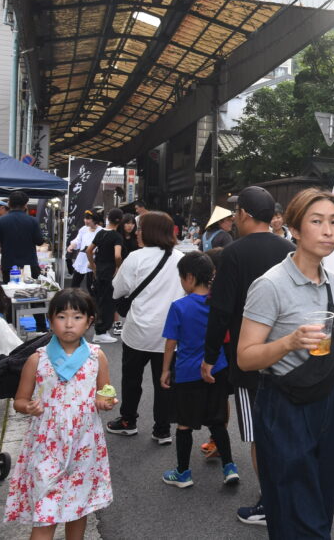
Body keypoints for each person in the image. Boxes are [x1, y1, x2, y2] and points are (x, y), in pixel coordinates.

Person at [237, 188, 334, 539]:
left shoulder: (333, 284)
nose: (328, 231)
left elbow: (333, 353)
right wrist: (289, 342)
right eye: (317, 221)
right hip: (284, 407)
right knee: (293, 509)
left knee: (321, 502)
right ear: (294, 229)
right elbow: (245, 358)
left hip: (323, 405)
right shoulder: (270, 284)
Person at [202, 185, 295, 526]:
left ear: (242, 214)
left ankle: (271, 502)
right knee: (284, 430)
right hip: (287, 356)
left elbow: (221, 310)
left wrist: (209, 356)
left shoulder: (234, 254)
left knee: (258, 434)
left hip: (248, 358)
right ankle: (287, 494)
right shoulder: (290, 249)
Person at [3, 288, 116, 539]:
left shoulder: (97, 357)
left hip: (85, 442)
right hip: (47, 443)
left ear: (89, 321)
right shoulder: (37, 359)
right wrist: (27, 406)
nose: (68, 324)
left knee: (78, 506)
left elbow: (104, 393)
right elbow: (19, 401)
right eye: (61, 316)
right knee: (45, 508)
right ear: (51, 320)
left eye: (77, 317)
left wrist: (106, 402)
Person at [159, 251, 239, 488]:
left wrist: (165, 370)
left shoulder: (179, 307)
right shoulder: (220, 303)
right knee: (216, 420)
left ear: (190, 278)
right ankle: (229, 466)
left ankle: (183, 473)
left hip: (187, 372)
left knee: (184, 423)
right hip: (218, 369)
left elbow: (171, 342)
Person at [106, 211, 184, 445]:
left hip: (138, 332)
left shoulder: (136, 258)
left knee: (132, 379)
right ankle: (162, 429)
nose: (137, 232)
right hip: (170, 335)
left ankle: (128, 421)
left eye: (140, 228)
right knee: (165, 380)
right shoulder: (181, 258)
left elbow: (117, 289)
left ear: (149, 231)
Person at [0, 191, 47, 330]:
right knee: (35, 295)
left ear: (9, 204)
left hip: (9, 264)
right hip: (30, 264)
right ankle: (41, 326)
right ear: (26, 205)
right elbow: (39, 241)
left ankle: (11, 326)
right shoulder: (32, 221)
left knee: (10, 296)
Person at [87, 208, 124, 344]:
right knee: (108, 303)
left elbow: (89, 250)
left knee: (100, 302)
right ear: (119, 221)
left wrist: (93, 266)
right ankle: (101, 332)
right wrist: (118, 267)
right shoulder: (116, 236)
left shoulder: (100, 233)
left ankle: (100, 330)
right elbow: (117, 255)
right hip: (110, 273)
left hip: (99, 272)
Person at [67, 210, 102, 291]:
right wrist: (72, 246)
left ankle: (92, 302)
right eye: (85, 218)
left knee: (91, 287)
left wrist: (93, 252)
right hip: (82, 259)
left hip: (93, 260)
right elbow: (78, 240)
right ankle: (74, 302)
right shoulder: (83, 229)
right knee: (74, 285)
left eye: (88, 219)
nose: (86, 220)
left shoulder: (100, 231)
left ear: (95, 220)